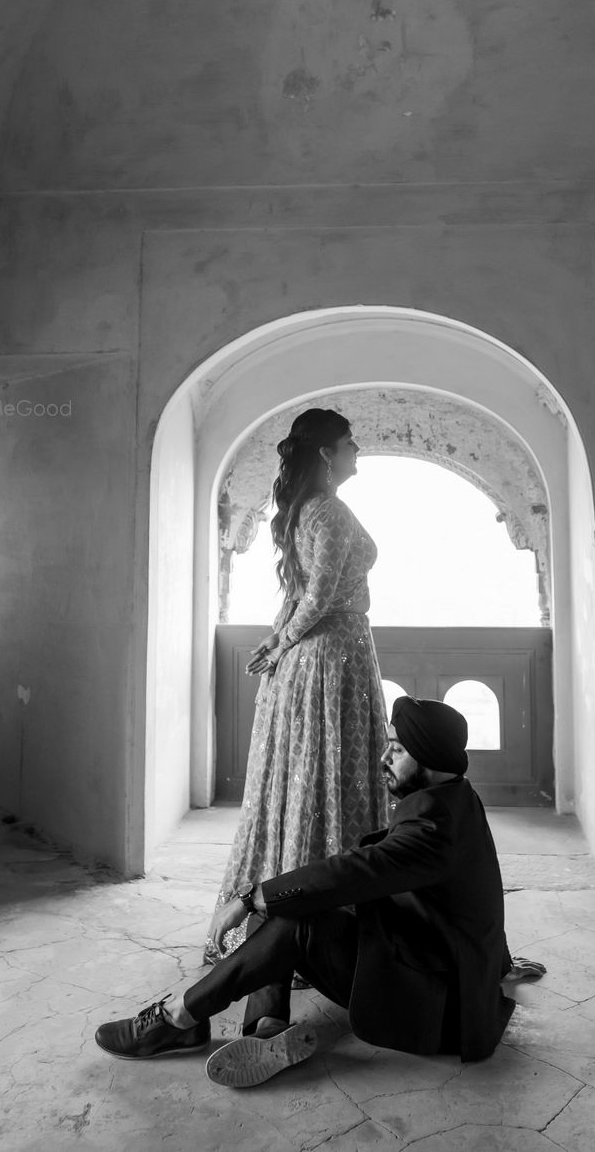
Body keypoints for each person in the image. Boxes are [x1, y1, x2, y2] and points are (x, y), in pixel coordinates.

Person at [95, 696, 525, 1088]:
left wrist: (248, 898)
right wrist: (497, 962)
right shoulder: (456, 797)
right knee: (287, 900)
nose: (384, 757)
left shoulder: (434, 827)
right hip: (425, 959)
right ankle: (267, 1027)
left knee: (295, 917)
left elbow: (356, 872)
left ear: (430, 755)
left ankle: (179, 1018)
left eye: (397, 748)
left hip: (437, 1012)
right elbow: (476, 897)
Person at [205, 408, 389, 1038]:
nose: (357, 448)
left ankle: (295, 934)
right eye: (349, 442)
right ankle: (308, 932)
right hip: (331, 658)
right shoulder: (329, 512)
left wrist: (277, 641)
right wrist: (282, 643)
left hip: (318, 655)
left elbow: (300, 595)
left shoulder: (306, 510)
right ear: (326, 453)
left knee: (304, 791)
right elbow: (317, 597)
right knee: (323, 789)